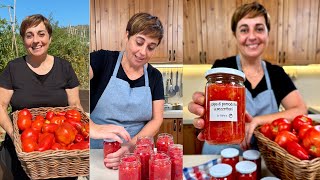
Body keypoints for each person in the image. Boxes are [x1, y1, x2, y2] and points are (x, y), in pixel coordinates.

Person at [188, 2, 307, 155]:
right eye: (244, 30)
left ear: (267, 34)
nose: (252, 36)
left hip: (263, 157)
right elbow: (210, 109)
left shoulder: (276, 73)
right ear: (235, 35)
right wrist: (202, 108)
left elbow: (300, 110)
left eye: (259, 29)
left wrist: (257, 121)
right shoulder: (223, 68)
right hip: (219, 151)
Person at [0, 14, 82, 180]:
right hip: (22, 149)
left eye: (41, 34)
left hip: (59, 151)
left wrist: (79, 134)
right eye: (29, 35)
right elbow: (0, 105)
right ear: (23, 40)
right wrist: (15, 136)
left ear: (50, 38)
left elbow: (75, 105)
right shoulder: (13, 68)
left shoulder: (64, 67)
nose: (36, 40)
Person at [89, 12, 165, 168]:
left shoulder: (154, 76)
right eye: (139, 42)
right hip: (95, 154)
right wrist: (91, 126)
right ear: (127, 36)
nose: (143, 52)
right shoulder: (102, 60)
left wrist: (131, 146)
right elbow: (71, 79)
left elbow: (157, 119)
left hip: (136, 154)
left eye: (151, 47)